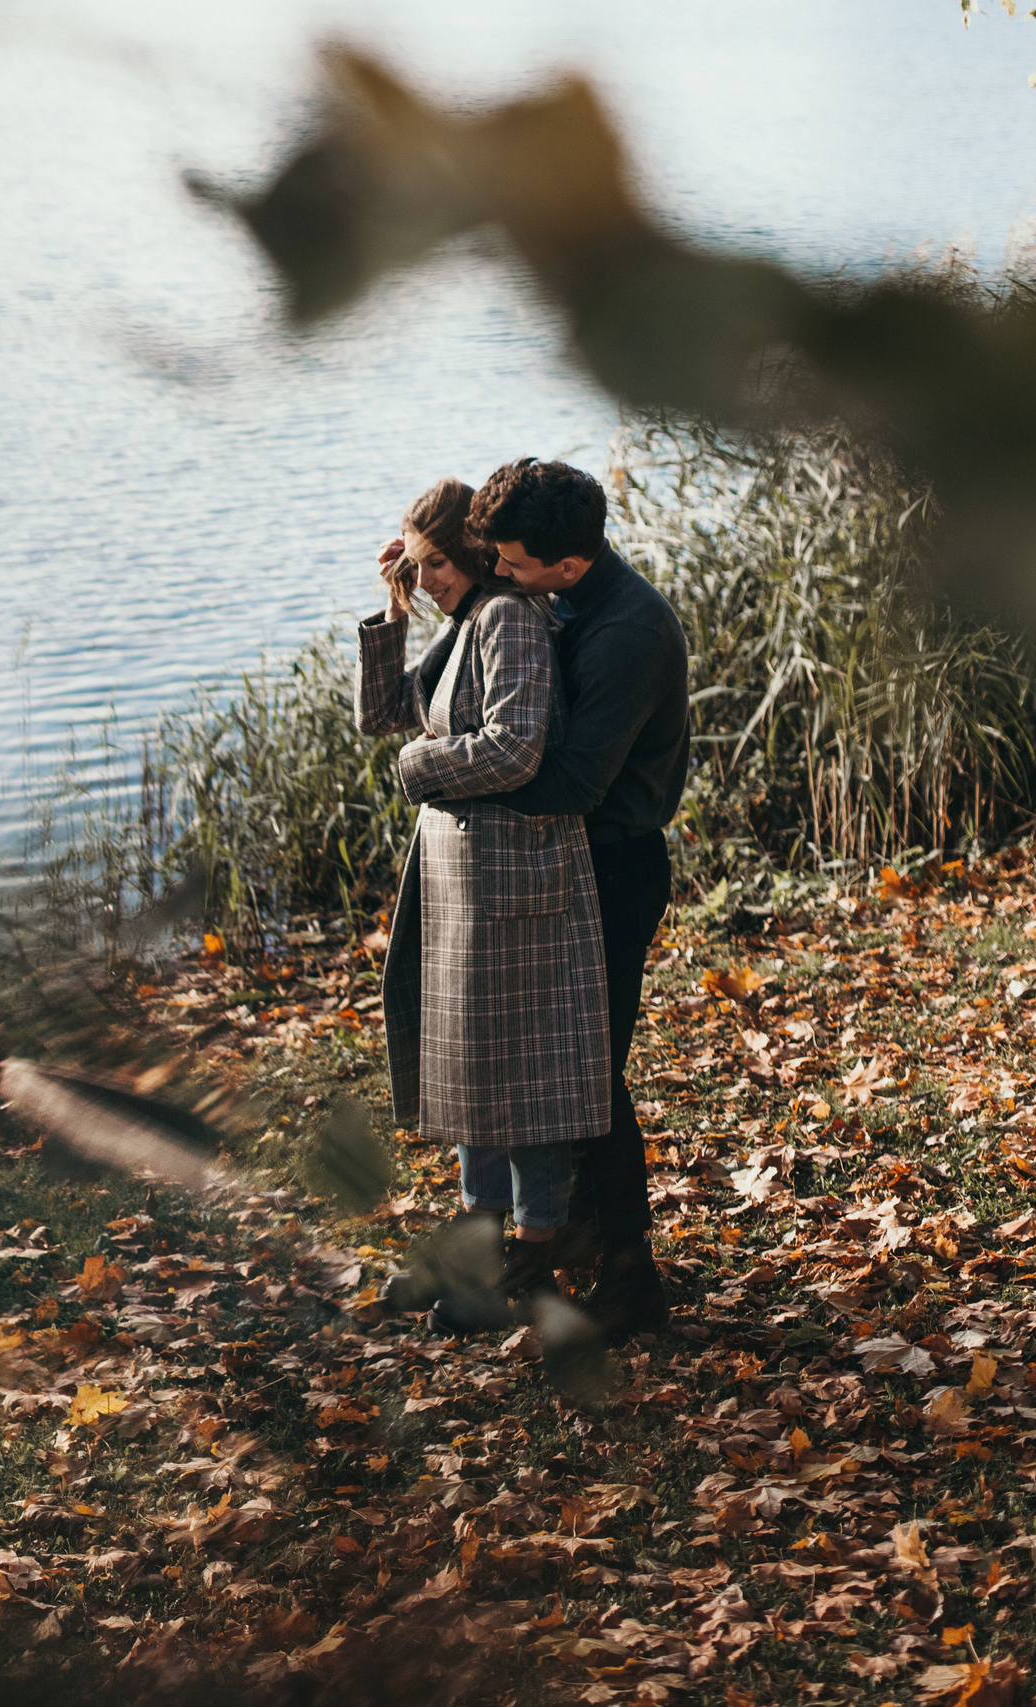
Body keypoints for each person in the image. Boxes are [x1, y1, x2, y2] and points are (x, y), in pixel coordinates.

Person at [354, 478, 613, 1327]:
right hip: (467, 884)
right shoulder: (467, 622)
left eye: (432, 564)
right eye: (415, 565)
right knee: (472, 1072)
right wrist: (391, 616)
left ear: (468, 555)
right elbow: (383, 716)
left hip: (516, 879)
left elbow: (515, 746)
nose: (424, 577)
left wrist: (418, 771)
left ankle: (531, 1255)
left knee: (525, 1077)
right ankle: (477, 1242)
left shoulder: (507, 618)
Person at [465, 459, 690, 1344]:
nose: (502, 576)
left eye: (513, 564)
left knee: (589, 1079)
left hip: (612, 871)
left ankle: (633, 1279)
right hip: (568, 872)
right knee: (564, 1074)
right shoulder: (562, 595)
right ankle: (588, 1240)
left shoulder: (629, 633)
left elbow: (569, 779)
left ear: (566, 563)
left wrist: (461, 778)